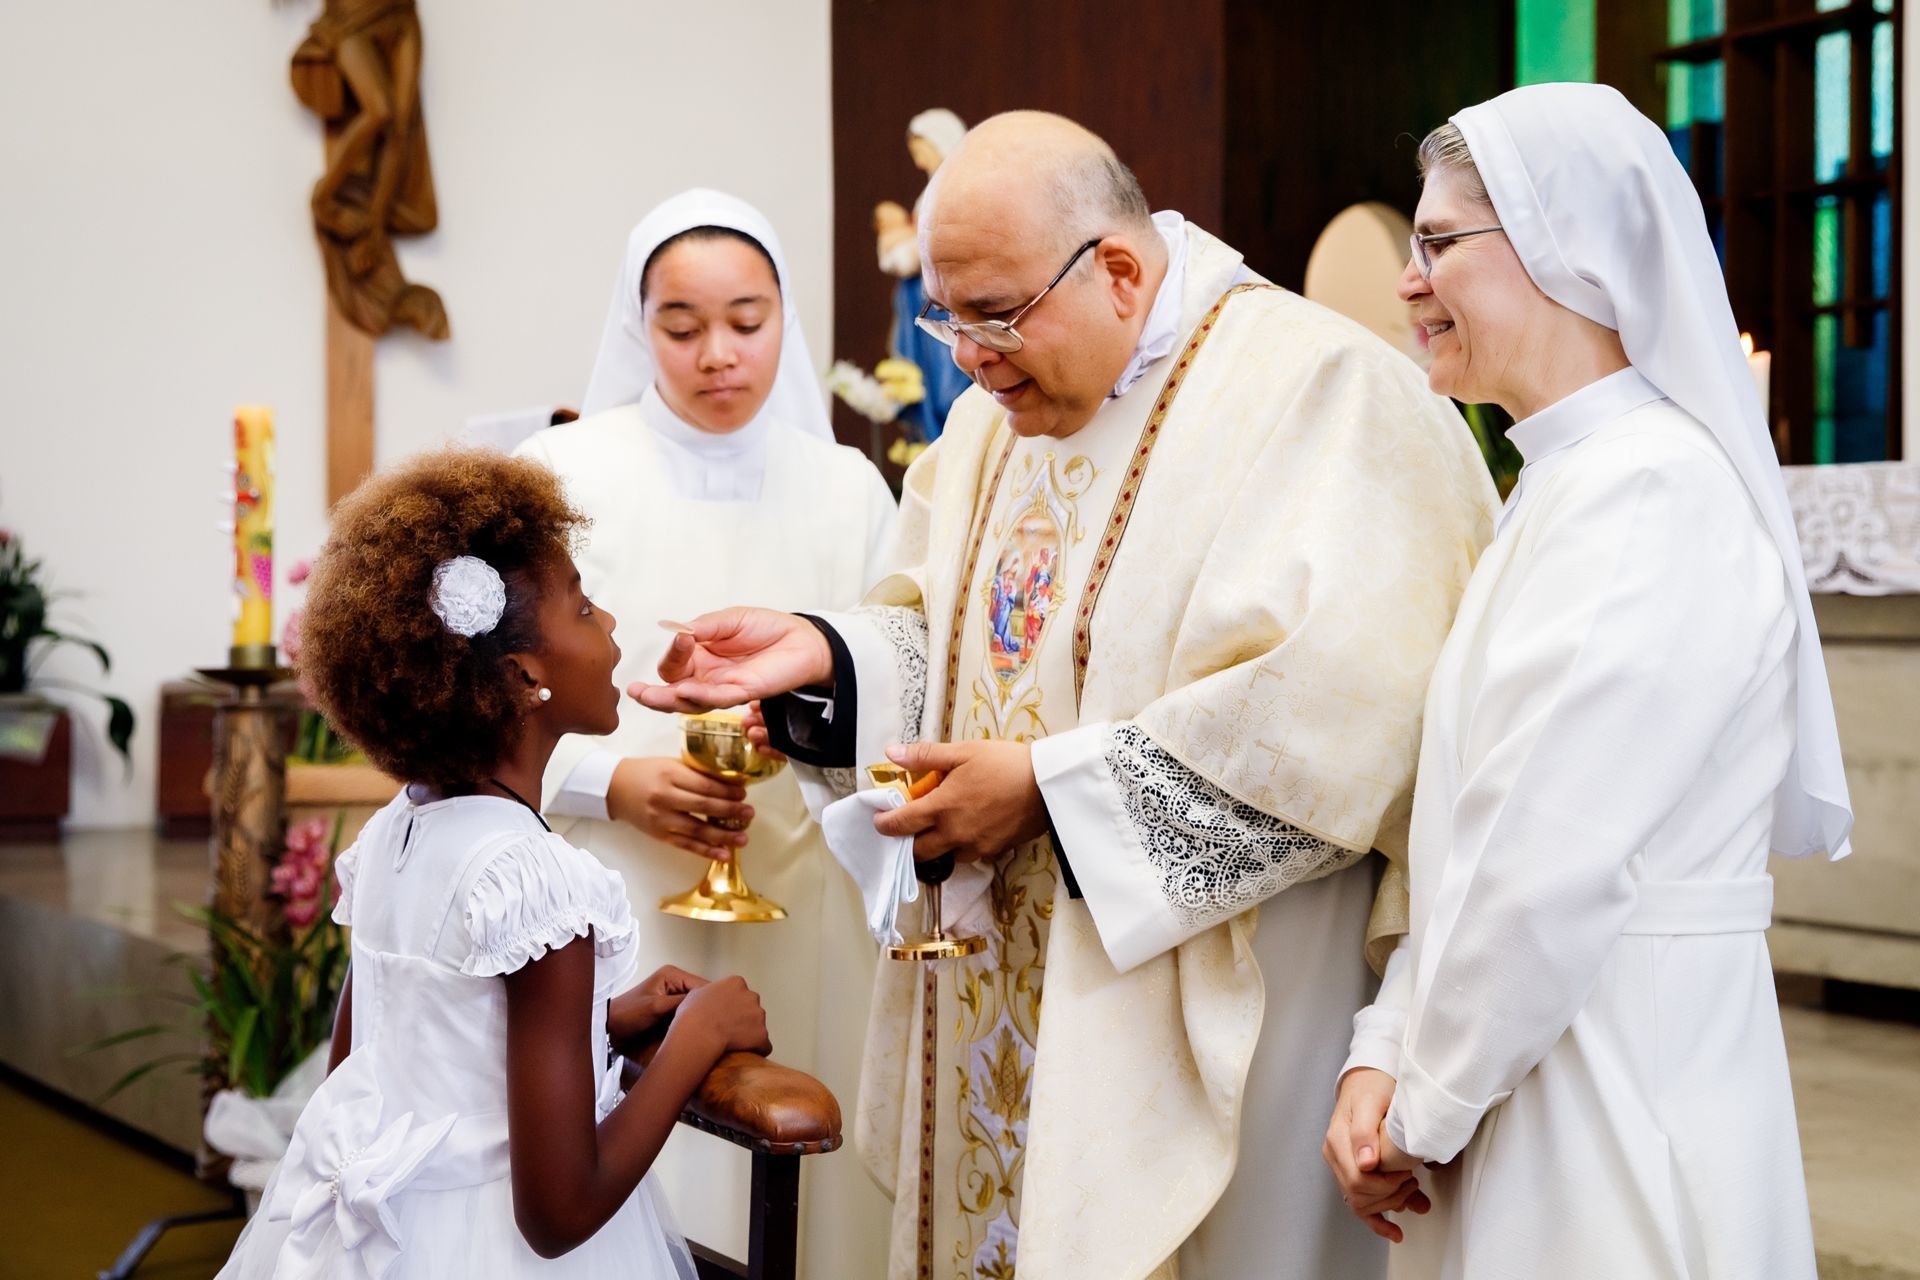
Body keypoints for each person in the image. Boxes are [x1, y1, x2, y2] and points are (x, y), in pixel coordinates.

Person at [635, 111, 1497, 1279]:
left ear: (1122, 271)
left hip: (1237, 1004)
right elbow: (951, 634)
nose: (969, 360)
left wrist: (1048, 792)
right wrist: (825, 658)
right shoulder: (997, 416)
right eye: (948, 320)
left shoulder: (1325, 395)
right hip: (997, 985)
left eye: (995, 317)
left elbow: (1344, 718)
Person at [1323, 83, 1852, 1280]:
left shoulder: (1654, 490)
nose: (1407, 280)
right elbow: (1472, 835)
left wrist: (1422, 1099)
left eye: (1439, 243)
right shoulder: (1566, 481)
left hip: (1615, 1080)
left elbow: (1544, 861)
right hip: (1523, 1050)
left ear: (1566, 245)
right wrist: (1382, 1048)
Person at [218, 448, 771, 1278]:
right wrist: (698, 1037)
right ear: (522, 675)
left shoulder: (395, 836)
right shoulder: (535, 885)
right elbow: (559, 1212)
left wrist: (600, 1020)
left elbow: (386, 1058)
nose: (610, 622)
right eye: (583, 607)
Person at [514, 189, 896, 1272]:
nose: (718, 354)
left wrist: (810, 735)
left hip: (803, 887)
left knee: (798, 1181)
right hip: (621, 883)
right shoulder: (564, 476)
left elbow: (897, 676)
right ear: (639, 328)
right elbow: (491, 697)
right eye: (682, 327)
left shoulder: (849, 488)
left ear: (786, 319)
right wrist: (614, 783)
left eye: (748, 321)